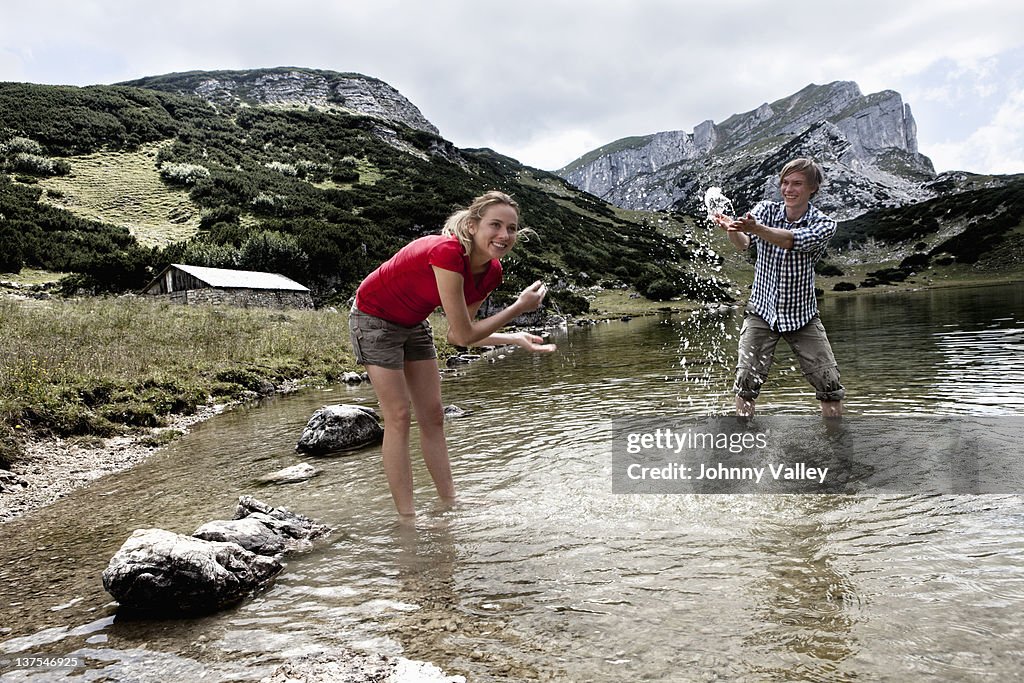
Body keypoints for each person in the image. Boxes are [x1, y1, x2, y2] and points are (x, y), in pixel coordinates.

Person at [350, 190, 557, 517]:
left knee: (433, 416)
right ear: (473, 226)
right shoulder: (447, 253)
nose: (504, 235)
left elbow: (460, 335)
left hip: (413, 322)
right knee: (399, 416)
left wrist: (514, 339)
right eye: (495, 225)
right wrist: (518, 307)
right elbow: (463, 334)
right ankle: (407, 518)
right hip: (374, 317)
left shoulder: (492, 271)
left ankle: (449, 501)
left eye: (512, 228)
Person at [712, 158, 845, 417]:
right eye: (785, 183)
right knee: (746, 385)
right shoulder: (766, 209)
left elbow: (789, 240)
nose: (788, 189)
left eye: (797, 184)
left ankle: (836, 446)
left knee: (829, 385)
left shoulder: (824, 224)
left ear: (812, 188)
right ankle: (744, 443)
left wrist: (756, 228)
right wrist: (732, 229)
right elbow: (743, 243)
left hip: (803, 318)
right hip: (761, 313)